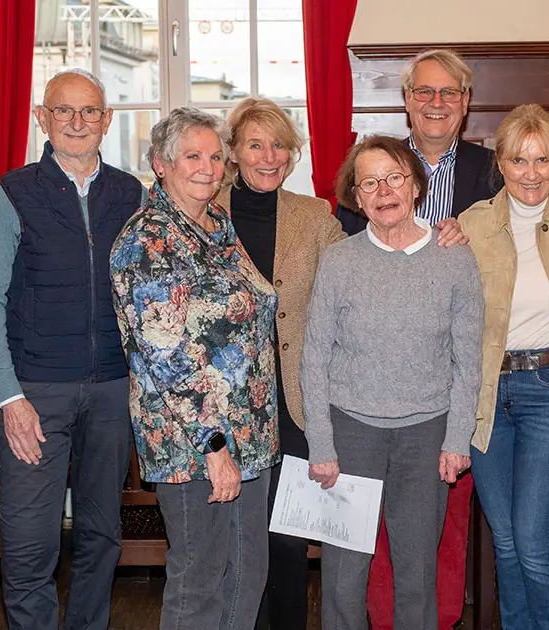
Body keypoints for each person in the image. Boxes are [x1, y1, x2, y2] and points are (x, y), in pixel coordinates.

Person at [0, 69, 143, 630]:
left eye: (89, 111)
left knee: (101, 537)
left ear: (106, 120)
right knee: (28, 545)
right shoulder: (12, 193)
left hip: (114, 391)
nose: (77, 122)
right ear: (42, 119)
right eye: (63, 111)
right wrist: (9, 396)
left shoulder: (132, 193)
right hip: (35, 394)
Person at [338, 47, 496, 629]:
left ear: (465, 102)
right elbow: (349, 263)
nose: (436, 103)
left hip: (450, 388)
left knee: (444, 529)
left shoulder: (493, 172)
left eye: (448, 93)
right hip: (371, 395)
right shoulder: (369, 170)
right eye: (424, 92)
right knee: (374, 533)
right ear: (406, 102)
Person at [301, 134, 484, 630]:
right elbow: (314, 355)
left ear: (416, 186)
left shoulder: (454, 259)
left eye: (394, 178)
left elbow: (468, 360)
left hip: (426, 434)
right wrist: (321, 443)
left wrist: (456, 437)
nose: (384, 191)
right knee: (342, 574)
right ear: (357, 198)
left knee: (418, 572)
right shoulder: (339, 261)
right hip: (351, 430)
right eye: (370, 183)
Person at [110, 106, 279, 630]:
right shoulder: (146, 241)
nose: (207, 167)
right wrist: (215, 447)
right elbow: (167, 361)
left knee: (248, 573)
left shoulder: (220, 224)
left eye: (214, 156)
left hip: (252, 432)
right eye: (192, 156)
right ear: (161, 164)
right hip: (195, 444)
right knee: (200, 580)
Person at [457, 104, 549, 629]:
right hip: (488, 397)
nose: (531, 173)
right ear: (500, 161)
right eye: (519, 160)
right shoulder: (470, 227)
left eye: (543, 160)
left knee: (535, 543)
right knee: (509, 544)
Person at [209, 97, 344, 630]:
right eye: (255, 144)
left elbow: (357, 276)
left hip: (293, 401)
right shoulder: (201, 208)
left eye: (280, 145)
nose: (269, 156)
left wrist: (429, 239)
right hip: (222, 405)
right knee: (233, 541)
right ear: (234, 152)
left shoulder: (316, 217)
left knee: (288, 539)